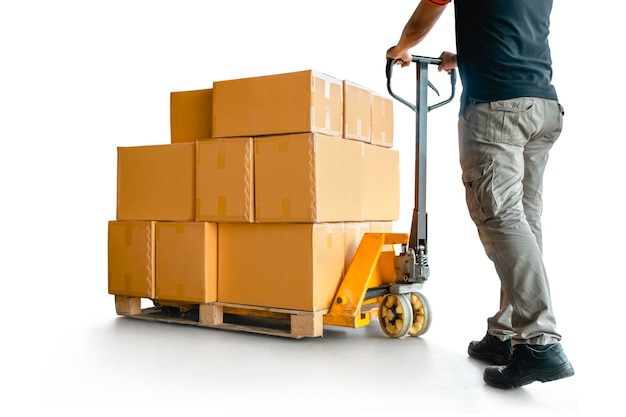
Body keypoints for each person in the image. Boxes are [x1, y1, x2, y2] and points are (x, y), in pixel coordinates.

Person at [386, 0, 574, 389]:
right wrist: (465, 57)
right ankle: (506, 334)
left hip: (497, 106)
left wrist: (402, 47)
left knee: (501, 218)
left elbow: (424, 16)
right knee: (522, 220)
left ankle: (539, 341)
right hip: (541, 105)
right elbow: (512, 26)